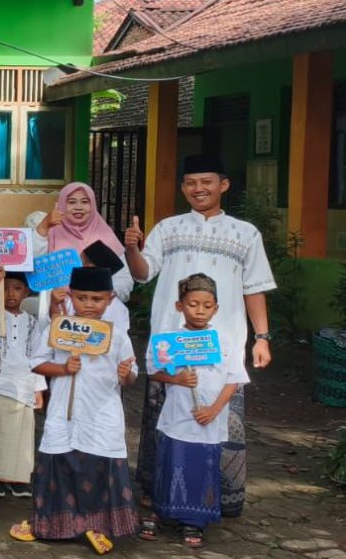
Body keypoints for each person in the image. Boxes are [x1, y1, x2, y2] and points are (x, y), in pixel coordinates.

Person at [123, 155, 274, 518]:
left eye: (206, 182)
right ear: (183, 187)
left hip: (222, 345)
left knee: (219, 418)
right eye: (190, 182)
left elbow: (254, 287)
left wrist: (262, 336)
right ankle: (159, 492)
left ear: (224, 184)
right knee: (166, 419)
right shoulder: (168, 228)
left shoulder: (245, 233)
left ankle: (220, 496)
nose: (198, 189)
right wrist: (132, 248)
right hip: (172, 341)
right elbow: (143, 273)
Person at [11, 266, 138, 552]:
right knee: (60, 465)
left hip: (101, 414)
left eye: (97, 299)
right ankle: (52, 525)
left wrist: (125, 374)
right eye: (82, 298)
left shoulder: (117, 336)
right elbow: (37, 363)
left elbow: (131, 375)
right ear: (70, 297)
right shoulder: (59, 329)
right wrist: (63, 369)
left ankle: (96, 527)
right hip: (63, 412)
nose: (89, 305)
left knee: (96, 468)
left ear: (110, 299)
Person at [140, 273, 242, 548]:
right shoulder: (168, 341)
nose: (200, 311)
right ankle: (161, 512)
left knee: (201, 470)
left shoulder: (224, 341)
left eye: (207, 306)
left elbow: (234, 379)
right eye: (193, 304)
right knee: (169, 465)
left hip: (209, 421)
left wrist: (214, 410)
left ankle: (194, 522)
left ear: (216, 309)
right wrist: (177, 379)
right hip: (177, 418)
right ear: (179, 306)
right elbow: (154, 371)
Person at [0, 269, 42, 499]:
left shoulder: (32, 323)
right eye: (5, 289)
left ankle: (19, 479)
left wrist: (38, 388)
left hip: (24, 384)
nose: (11, 294)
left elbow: (37, 357)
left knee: (22, 435)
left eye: (17, 289)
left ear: (26, 292)